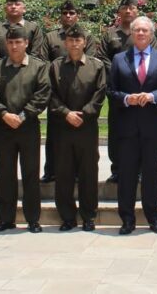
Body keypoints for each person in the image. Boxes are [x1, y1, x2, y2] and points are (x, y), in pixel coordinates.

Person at [108, 16, 157, 235]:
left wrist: (153, 96)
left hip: (152, 127)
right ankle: (127, 219)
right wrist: (127, 99)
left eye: (144, 30)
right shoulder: (119, 59)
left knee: (151, 174)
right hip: (127, 128)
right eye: (136, 30)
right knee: (126, 175)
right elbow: (111, 91)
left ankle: (153, 218)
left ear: (151, 34)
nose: (140, 33)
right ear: (131, 33)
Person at [0, 25, 51, 233]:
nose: (14, 46)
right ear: (6, 44)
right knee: (4, 174)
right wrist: (4, 114)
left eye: (18, 42)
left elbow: (42, 94)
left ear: (26, 43)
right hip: (3, 127)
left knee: (30, 173)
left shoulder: (38, 67)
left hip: (28, 127)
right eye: (11, 42)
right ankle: (5, 219)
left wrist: (23, 115)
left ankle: (33, 219)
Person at [48, 24, 107, 232]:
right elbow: (51, 95)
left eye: (78, 40)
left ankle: (88, 215)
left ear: (84, 42)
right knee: (63, 173)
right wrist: (66, 113)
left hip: (87, 127)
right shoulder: (55, 66)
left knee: (88, 172)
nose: (74, 44)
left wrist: (85, 113)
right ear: (65, 42)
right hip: (63, 127)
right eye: (70, 40)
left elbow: (100, 94)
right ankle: (67, 217)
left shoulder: (96, 66)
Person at [43, 0, 100, 184]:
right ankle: (51, 170)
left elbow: (90, 60)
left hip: (82, 90)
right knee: (54, 137)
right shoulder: (51, 37)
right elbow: (44, 61)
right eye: (65, 13)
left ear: (77, 15)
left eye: (72, 13)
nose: (68, 16)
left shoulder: (87, 37)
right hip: (59, 92)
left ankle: (77, 172)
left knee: (83, 143)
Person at [102, 0, 157, 183]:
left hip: (142, 91)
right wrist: (121, 73)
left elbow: (155, 59)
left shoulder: (147, 34)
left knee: (142, 131)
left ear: (137, 10)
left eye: (131, 8)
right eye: (124, 8)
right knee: (116, 130)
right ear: (119, 12)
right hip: (119, 90)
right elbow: (102, 59)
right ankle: (117, 168)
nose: (128, 11)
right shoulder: (110, 34)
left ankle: (140, 169)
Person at [0, 0, 49, 67]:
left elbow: (37, 52)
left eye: (17, 4)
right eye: (10, 4)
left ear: (24, 9)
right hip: (0, 72)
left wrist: (27, 68)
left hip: (27, 72)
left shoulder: (33, 28)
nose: (13, 6)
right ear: (5, 9)